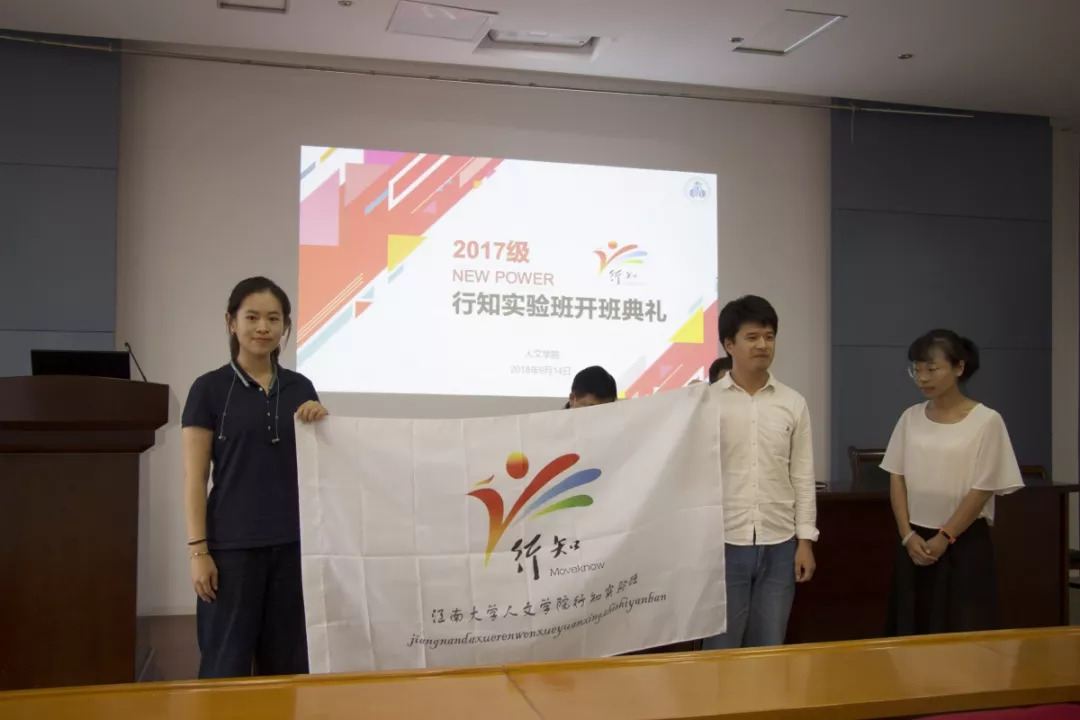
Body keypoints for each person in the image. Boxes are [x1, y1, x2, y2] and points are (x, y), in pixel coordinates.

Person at [182, 276, 329, 679]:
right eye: (252, 317)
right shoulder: (208, 389)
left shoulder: (300, 387)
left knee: (288, 668)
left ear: (286, 325)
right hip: (231, 551)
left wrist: (322, 422)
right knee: (224, 666)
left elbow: (321, 467)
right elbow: (194, 478)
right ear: (231, 322)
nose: (263, 327)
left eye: (273, 318)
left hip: (293, 547)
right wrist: (198, 552)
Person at [882, 329, 1023, 636]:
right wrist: (906, 535)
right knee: (911, 628)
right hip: (914, 542)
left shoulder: (986, 420)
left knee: (962, 630)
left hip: (963, 541)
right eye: (916, 370)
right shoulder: (910, 417)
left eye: (932, 369)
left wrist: (945, 536)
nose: (922, 378)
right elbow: (897, 476)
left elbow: (983, 488)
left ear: (959, 367)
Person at [702, 295, 817, 650]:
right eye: (752, 337)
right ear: (729, 344)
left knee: (769, 648)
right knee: (720, 649)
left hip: (780, 543)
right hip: (724, 542)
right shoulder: (706, 403)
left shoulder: (793, 403)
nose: (763, 345)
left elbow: (802, 476)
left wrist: (805, 542)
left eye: (769, 336)